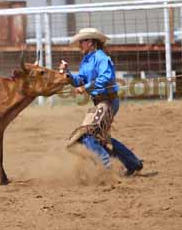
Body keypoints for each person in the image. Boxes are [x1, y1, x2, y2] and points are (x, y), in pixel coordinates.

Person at [60, 27, 143, 176]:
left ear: (90, 42)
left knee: (87, 136)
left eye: (82, 41)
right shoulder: (86, 60)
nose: (79, 45)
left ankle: (106, 167)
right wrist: (67, 74)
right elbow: (80, 80)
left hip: (108, 102)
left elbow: (105, 78)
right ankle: (133, 163)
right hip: (100, 103)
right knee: (100, 137)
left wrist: (85, 87)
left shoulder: (101, 57)